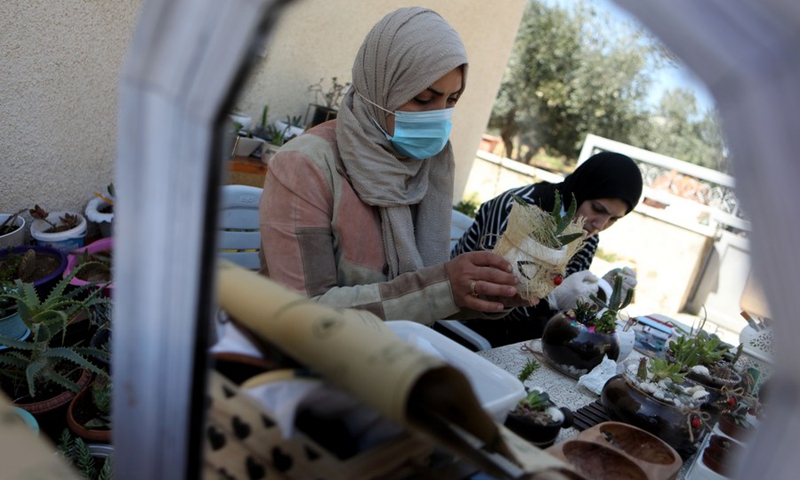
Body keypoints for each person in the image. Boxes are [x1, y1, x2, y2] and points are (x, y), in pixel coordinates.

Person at [259, 7, 531, 324]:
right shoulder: (305, 167)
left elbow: (424, 297)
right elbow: (304, 312)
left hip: (391, 355)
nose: (438, 115)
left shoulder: (425, 169)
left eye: (451, 100)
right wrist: (442, 288)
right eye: (423, 98)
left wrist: (487, 292)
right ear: (380, 85)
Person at [451, 151, 644, 346]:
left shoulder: (587, 238)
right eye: (598, 209)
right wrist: (552, 299)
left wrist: (600, 293)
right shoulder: (518, 209)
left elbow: (566, 312)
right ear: (582, 188)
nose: (600, 225)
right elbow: (492, 293)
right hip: (465, 325)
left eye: (613, 219)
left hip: (525, 335)